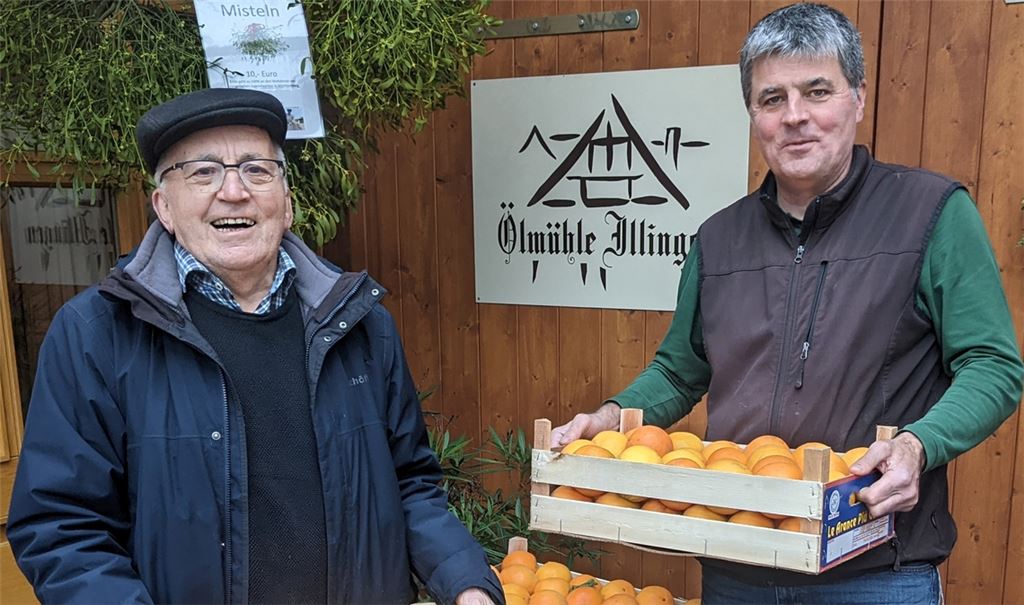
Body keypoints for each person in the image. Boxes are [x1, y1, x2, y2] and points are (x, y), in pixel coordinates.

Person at [552, 3, 1022, 604]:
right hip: (737, 561)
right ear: (753, 115)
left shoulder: (932, 214)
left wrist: (916, 445)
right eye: (772, 99)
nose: (795, 117)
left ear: (857, 97)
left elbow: (992, 365)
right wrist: (612, 418)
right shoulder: (718, 240)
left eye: (817, 91)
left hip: (876, 570)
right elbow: (679, 369)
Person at [7, 88, 502, 605]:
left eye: (256, 170)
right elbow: (62, 528)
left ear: (286, 203)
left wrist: (466, 583)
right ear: (164, 207)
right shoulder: (97, 335)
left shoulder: (360, 324)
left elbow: (410, 484)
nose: (234, 191)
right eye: (202, 172)